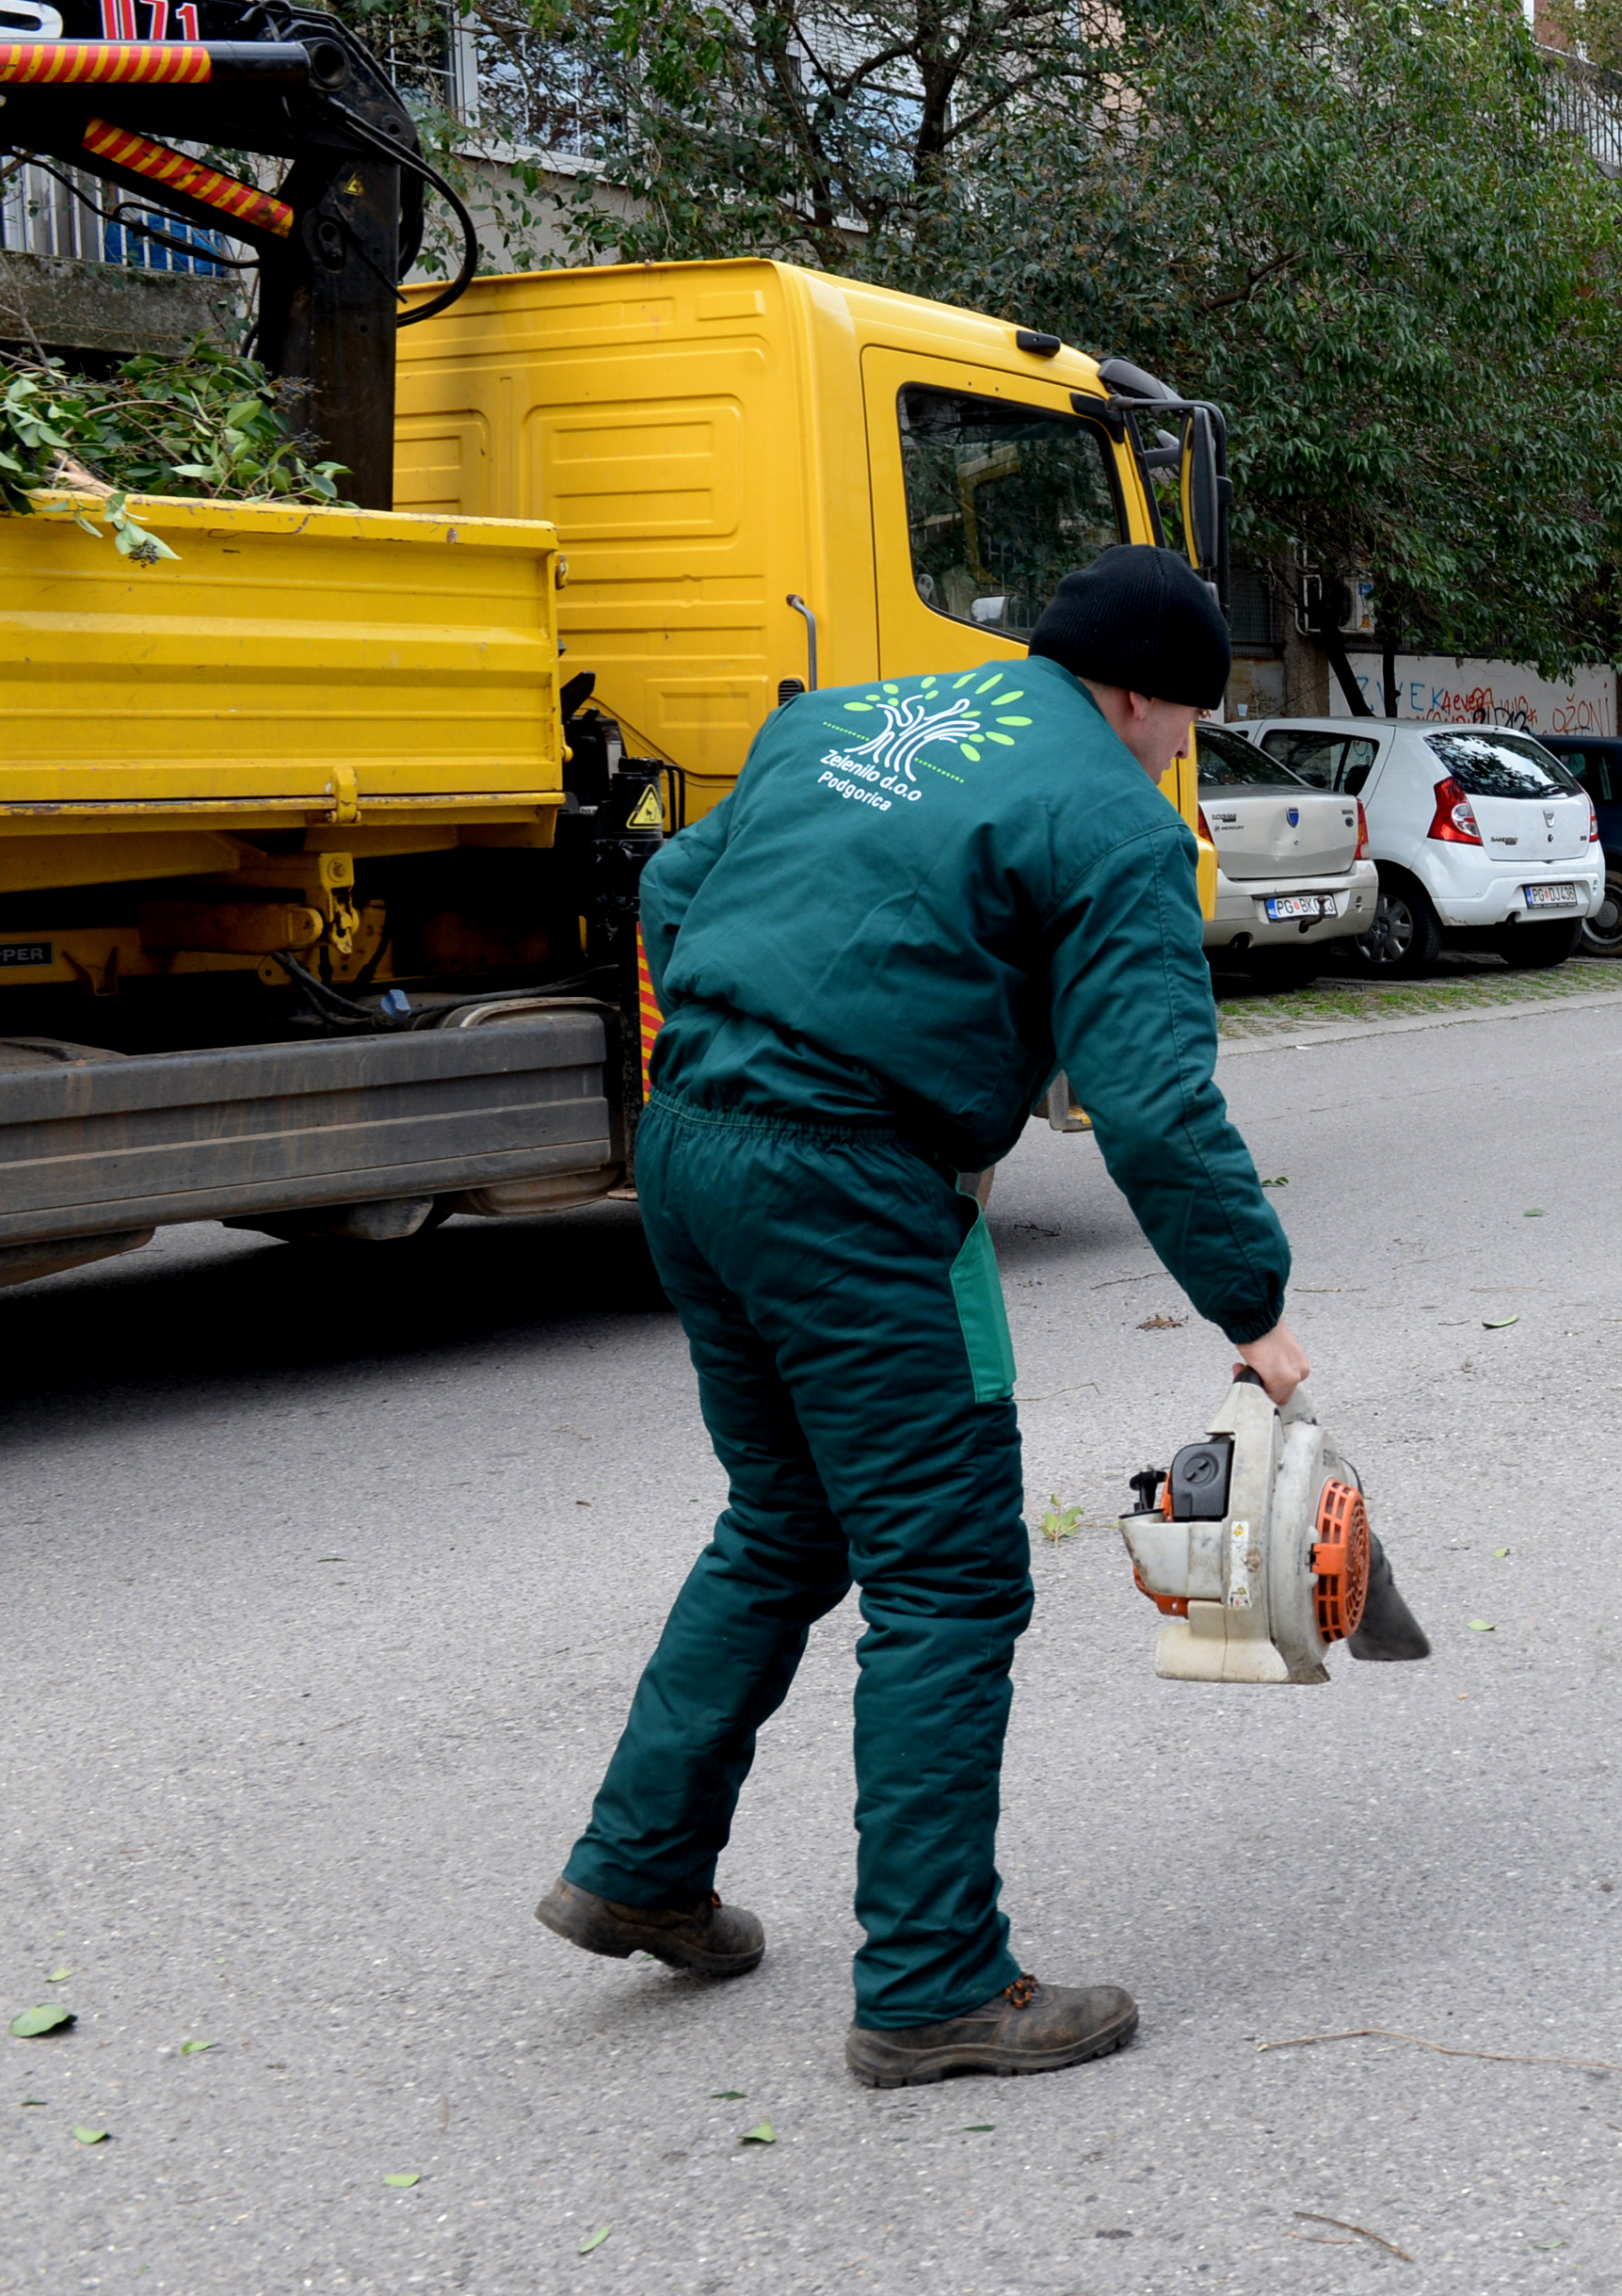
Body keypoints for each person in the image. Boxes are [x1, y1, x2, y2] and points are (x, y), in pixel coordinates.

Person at [540, 545, 1306, 2091]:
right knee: (950, 1580)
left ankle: (638, 1863)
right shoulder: (1111, 819)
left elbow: (675, 887)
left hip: (692, 1149)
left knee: (784, 1519)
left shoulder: (835, 722)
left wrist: (759, 1044)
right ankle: (933, 1982)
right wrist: (1256, 1309)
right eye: (1183, 726)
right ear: (1144, 695)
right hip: (851, 1188)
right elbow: (1152, 1107)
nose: (1176, 753)